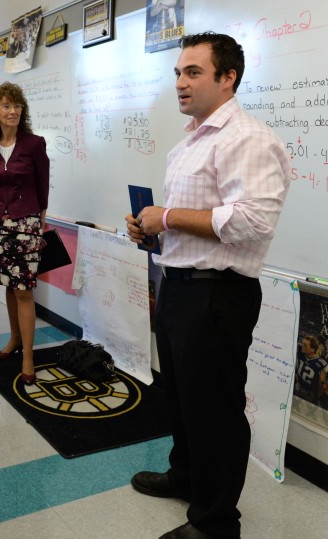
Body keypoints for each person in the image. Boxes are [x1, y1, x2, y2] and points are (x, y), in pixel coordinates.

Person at [125, 33, 291, 539]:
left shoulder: (248, 138)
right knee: (179, 397)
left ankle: (216, 522)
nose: (180, 82)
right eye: (177, 72)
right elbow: (188, 222)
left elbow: (253, 222)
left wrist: (167, 216)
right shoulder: (189, 142)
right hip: (179, 286)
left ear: (227, 78)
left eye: (193, 72)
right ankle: (187, 476)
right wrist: (149, 228)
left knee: (215, 411)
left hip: (217, 295)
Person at [0, 81, 49, 385]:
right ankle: (13, 339)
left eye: (17, 106)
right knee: (7, 286)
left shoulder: (34, 144)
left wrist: (38, 220)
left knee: (24, 289)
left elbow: (42, 184)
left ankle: (28, 356)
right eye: (6, 106)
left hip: (26, 224)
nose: (13, 111)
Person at [294, 335, 328, 405]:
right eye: (302, 343)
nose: (302, 346)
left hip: (310, 393)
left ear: (312, 350)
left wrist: (322, 382)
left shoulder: (321, 364)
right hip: (298, 385)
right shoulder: (300, 350)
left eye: (305, 345)